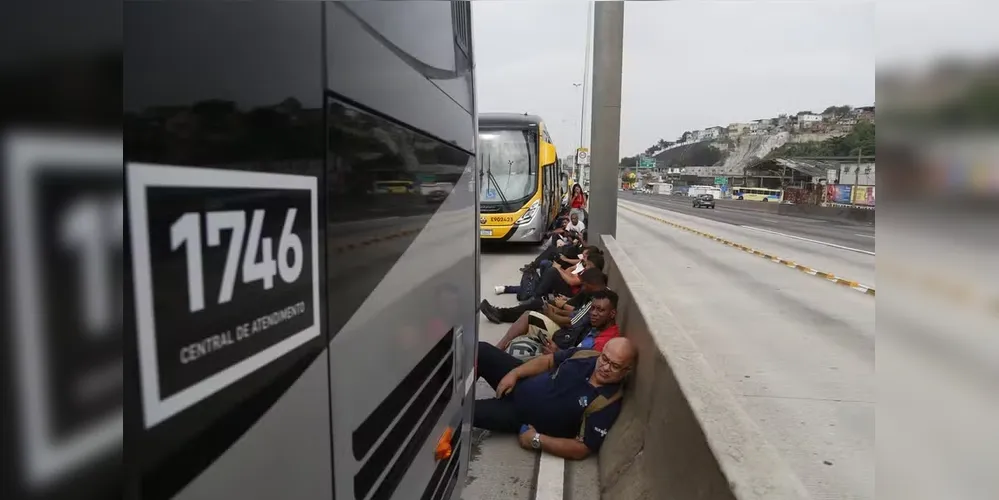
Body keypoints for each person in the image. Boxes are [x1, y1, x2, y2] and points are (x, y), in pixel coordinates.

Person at [472, 337, 637, 460]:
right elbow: (550, 360)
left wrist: (536, 440)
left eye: (614, 366)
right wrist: (515, 373)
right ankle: (447, 390)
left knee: (464, 411)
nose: (605, 367)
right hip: (523, 381)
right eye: (605, 359)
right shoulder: (586, 356)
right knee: (480, 350)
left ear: (626, 370)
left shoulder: (607, 402)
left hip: (518, 414)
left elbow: (583, 448)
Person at [495, 288, 619, 361]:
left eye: (600, 310)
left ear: (612, 314)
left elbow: (581, 366)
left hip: (560, 360)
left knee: (514, 354)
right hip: (563, 346)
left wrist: (558, 353)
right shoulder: (596, 326)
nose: (594, 313)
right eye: (592, 309)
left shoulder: (604, 342)